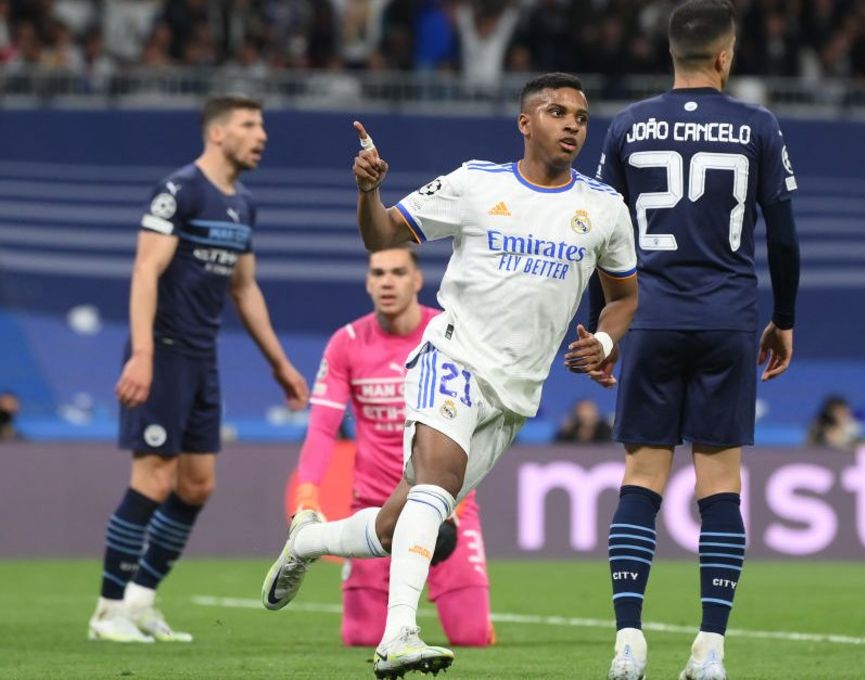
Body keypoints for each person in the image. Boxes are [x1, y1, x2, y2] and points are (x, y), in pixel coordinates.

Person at [261, 72, 639, 679]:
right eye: (556, 111)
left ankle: (306, 542)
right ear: (525, 123)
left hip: (516, 394)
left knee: (400, 522)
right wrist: (369, 194)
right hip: (454, 356)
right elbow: (382, 234)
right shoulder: (474, 183)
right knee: (436, 485)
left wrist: (603, 339)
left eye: (581, 116)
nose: (572, 123)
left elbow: (623, 297)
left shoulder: (603, 207)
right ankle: (400, 637)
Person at [591, 1, 801, 677]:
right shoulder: (759, 125)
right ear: (725, 55)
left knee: (641, 479)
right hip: (727, 320)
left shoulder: (627, 125)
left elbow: (603, 237)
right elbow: (785, 236)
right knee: (720, 488)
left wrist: (605, 329)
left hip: (648, 319)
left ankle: (628, 639)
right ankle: (710, 647)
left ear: (671, 54)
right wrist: (785, 319)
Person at [89, 94, 309, 644]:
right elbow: (145, 270)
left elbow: (244, 288)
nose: (262, 135)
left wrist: (280, 363)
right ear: (217, 134)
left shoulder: (244, 204)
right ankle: (107, 611)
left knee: (197, 484)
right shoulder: (179, 190)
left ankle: (140, 603)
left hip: (201, 355)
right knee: (155, 477)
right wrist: (142, 353)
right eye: (249, 125)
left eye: (263, 125)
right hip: (161, 351)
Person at [293, 246, 494, 648]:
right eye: (378, 272)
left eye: (398, 272)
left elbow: (481, 420)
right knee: (361, 636)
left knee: (471, 636)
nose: (387, 281)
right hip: (374, 508)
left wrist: (460, 499)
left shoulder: (451, 334)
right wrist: (307, 495)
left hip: (446, 501)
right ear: (368, 282)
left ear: (417, 280)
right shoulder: (346, 343)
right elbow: (321, 429)